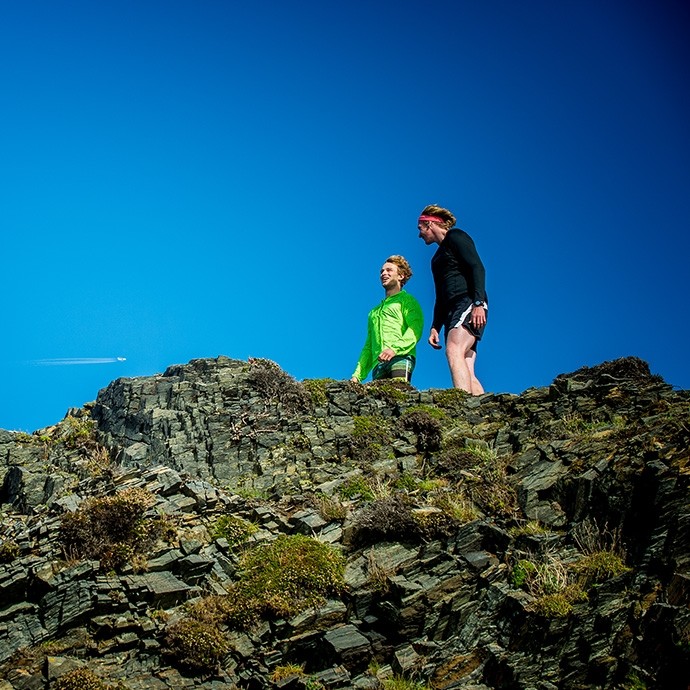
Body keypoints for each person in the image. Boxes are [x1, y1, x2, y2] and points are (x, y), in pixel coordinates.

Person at [417, 204, 488, 394]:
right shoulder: (435, 260)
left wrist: (479, 303)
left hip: (468, 302)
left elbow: (477, 267)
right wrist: (435, 326)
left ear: (430, 224)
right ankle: (483, 412)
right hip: (451, 311)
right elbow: (440, 295)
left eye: (420, 229)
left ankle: (463, 405)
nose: (419, 235)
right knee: (466, 364)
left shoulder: (456, 237)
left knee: (453, 349)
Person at [351, 255, 424, 384]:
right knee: (381, 403)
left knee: (400, 396)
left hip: (400, 357)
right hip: (377, 364)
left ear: (401, 276)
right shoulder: (373, 312)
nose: (383, 273)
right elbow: (368, 346)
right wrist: (357, 376)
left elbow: (415, 329)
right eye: (382, 271)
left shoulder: (407, 301)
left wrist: (394, 349)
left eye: (389, 270)